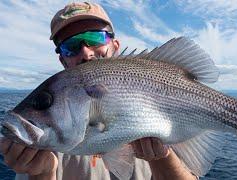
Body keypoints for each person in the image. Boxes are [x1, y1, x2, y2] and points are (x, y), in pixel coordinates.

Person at [0, 2, 198, 180]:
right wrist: (41, 174)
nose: (86, 52)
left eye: (95, 37)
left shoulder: (178, 122)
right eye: (70, 46)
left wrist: (162, 157)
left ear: (115, 45)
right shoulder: (47, 138)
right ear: (63, 60)